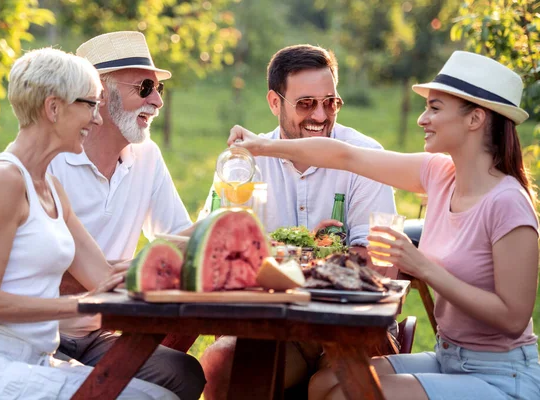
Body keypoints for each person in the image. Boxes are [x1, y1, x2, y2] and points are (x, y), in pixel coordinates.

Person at [229, 51, 540, 400]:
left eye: (435, 108)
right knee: (322, 384)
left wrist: (421, 266)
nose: (422, 119)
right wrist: (261, 146)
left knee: (346, 394)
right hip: (449, 357)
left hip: (501, 374)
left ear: (475, 119)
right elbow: (345, 154)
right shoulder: (439, 174)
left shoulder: (508, 203)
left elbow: (513, 319)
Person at [0, 48, 177, 399]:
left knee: (161, 393)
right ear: (53, 108)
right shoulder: (4, 180)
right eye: (89, 106)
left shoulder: (51, 187)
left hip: (36, 358)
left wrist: (161, 270)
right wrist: (81, 304)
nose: (97, 119)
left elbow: (102, 278)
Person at [198, 44, 397, 399]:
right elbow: (212, 244)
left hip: (349, 327)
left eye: (330, 102)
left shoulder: (367, 156)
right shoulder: (242, 163)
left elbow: (375, 265)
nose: (320, 115)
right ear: (275, 103)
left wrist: (285, 255)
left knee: (340, 379)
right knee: (218, 365)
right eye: (306, 103)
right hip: (272, 327)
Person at [47, 31, 205, 399]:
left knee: (184, 374)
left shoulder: (146, 156)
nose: (157, 101)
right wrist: (128, 273)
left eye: (159, 89)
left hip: (99, 332)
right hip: (41, 333)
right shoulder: (51, 161)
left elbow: (179, 236)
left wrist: (225, 217)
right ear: (100, 94)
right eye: (145, 87)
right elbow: (39, 270)